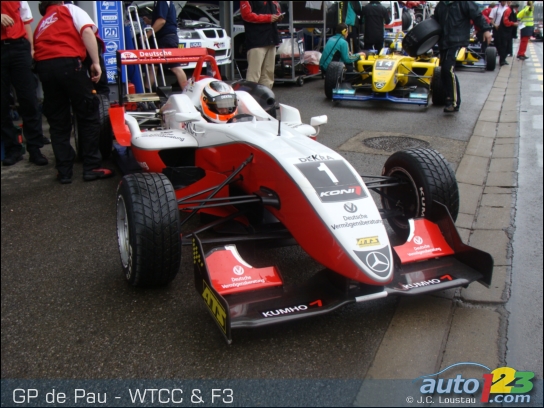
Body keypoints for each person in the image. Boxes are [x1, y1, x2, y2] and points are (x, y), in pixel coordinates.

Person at [33, 1, 114, 184]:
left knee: (58, 121)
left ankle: (64, 172)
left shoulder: (42, 23)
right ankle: (92, 167)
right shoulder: (70, 9)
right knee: (89, 114)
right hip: (69, 64)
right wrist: (96, 63)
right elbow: (87, 32)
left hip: (45, 69)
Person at [1, 1, 48, 166]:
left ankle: (35, 149)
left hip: (19, 47)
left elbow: (26, 21)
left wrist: (31, 49)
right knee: (2, 104)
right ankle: (12, 149)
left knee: (29, 100)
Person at [432, 1, 492, 113]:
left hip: (457, 41)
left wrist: (486, 30)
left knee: (448, 69)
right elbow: (434, 21)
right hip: (444, 42)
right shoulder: (441, 5)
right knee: (444, 71)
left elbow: (477, 15)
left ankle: (453, 102)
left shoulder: (464, 3)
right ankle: (448, 97)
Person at [240, 1, 283, 89]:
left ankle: (265, 95)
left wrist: (278, 16)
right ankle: (251, 96)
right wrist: (268, 18)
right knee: (254, 74)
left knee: (268, 74)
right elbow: (246, 15)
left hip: (271, 39)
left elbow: (276, 10)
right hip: (256, 41)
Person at [146, 1, 187, 91]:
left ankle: (187, 92)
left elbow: (162, 21)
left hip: (166, 38)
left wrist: (147, 34)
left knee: (175, 67)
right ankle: (146, 91)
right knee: (153, 66)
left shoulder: (162, 2)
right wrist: (150, 22)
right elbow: (165, 20)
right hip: (164, 38)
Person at [493, 1, 518, 66]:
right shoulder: (508, 11)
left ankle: (503, 59)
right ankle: (502, 60)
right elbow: (505, 22)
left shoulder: (512, 11)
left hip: (508, 32)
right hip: (504, 32)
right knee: (503, 46)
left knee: (507, 46)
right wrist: (513, 24)